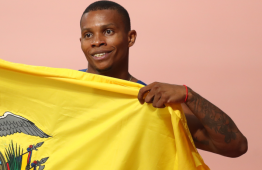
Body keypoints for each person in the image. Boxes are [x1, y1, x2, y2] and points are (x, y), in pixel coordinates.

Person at [80, 1, 247, 157]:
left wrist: (190, 95)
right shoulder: (60, 91)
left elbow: (236, 146)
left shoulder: (153, 103)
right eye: (88, 35)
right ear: (81, 42)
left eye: (108, 32)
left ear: (130, 38)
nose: (97, 42)